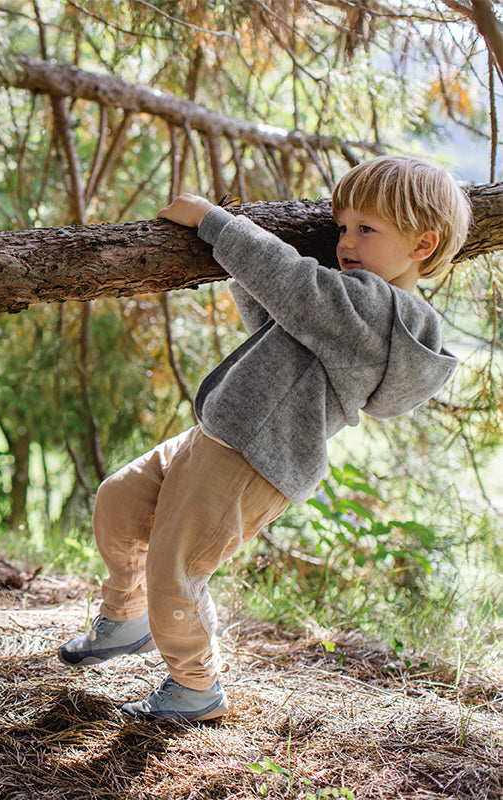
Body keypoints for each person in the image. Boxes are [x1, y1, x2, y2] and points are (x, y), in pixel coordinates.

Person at [58, 155, 471, 723]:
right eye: (342, 227)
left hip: (252, 459)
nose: (346, 242)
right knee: (119, 501)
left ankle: (195, 687)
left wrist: (216, 223)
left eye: (366, 229)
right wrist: (243, 266)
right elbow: (278, 317)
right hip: (222, 434)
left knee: (176, 572)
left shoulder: (381, 311)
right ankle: (126, 617)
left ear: (423, 245)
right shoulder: (345, 301)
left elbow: (294, 286)